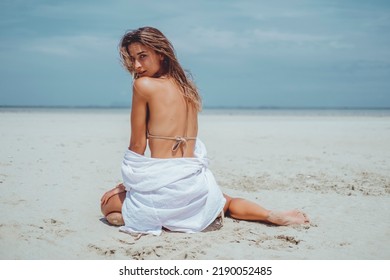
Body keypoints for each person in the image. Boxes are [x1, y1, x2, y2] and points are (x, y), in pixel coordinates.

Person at [100, 26, 309, 235]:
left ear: (161, 53)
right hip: (194, 183)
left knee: (108, 203)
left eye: (143, 56)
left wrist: (130, 184)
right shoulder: (187, 88)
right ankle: (270, 215)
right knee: (226, 202)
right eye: (132, 58)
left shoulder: (143, 85)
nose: (137, 65)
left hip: (167, 187)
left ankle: (152, 219)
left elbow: (137, 146)